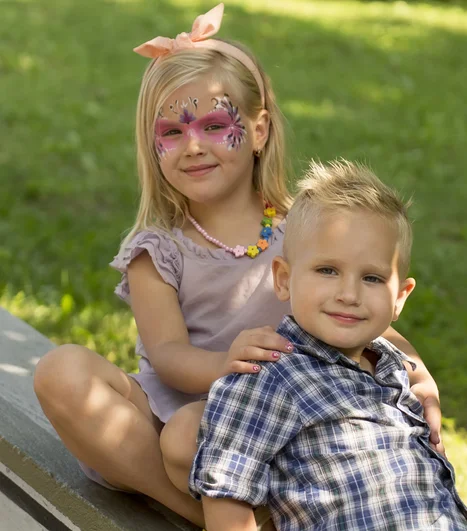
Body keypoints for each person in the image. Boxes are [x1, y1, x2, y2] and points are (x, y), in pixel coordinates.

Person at [33, 4, 443, 528]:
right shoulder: (156, 250)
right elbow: (169, 355)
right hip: (178, 423)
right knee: (63, 373)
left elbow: (367, 321)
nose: (194, 146)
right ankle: (199, 510)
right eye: (172, 132)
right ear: (151, 145)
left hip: (288, 421)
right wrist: (229, 360)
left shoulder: (308, 230)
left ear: (258, 129)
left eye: (213, 124)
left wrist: (416, 369)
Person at [192, 160, 467, 531]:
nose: (349, 294)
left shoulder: (392, 368)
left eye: (372, 277)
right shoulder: (270, 374)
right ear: (284, 279)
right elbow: (226, 499)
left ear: (400, 296)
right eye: (327, 270)